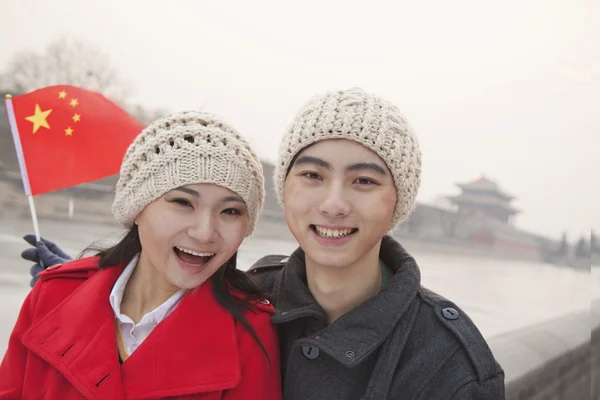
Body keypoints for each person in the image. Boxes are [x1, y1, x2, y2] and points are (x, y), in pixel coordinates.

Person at [20, 88, 504, 399]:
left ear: (398, 202)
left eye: (363, 182)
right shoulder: (247, 292)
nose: (333, 204)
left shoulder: (448, 365)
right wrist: (82, 294)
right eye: (312, 175)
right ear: (285, 191)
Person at [1, 111, 281, 399]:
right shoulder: (52, 295)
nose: (205, 233)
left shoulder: (251, 333)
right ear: (137, 207)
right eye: (183, 202)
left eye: (230, 211)